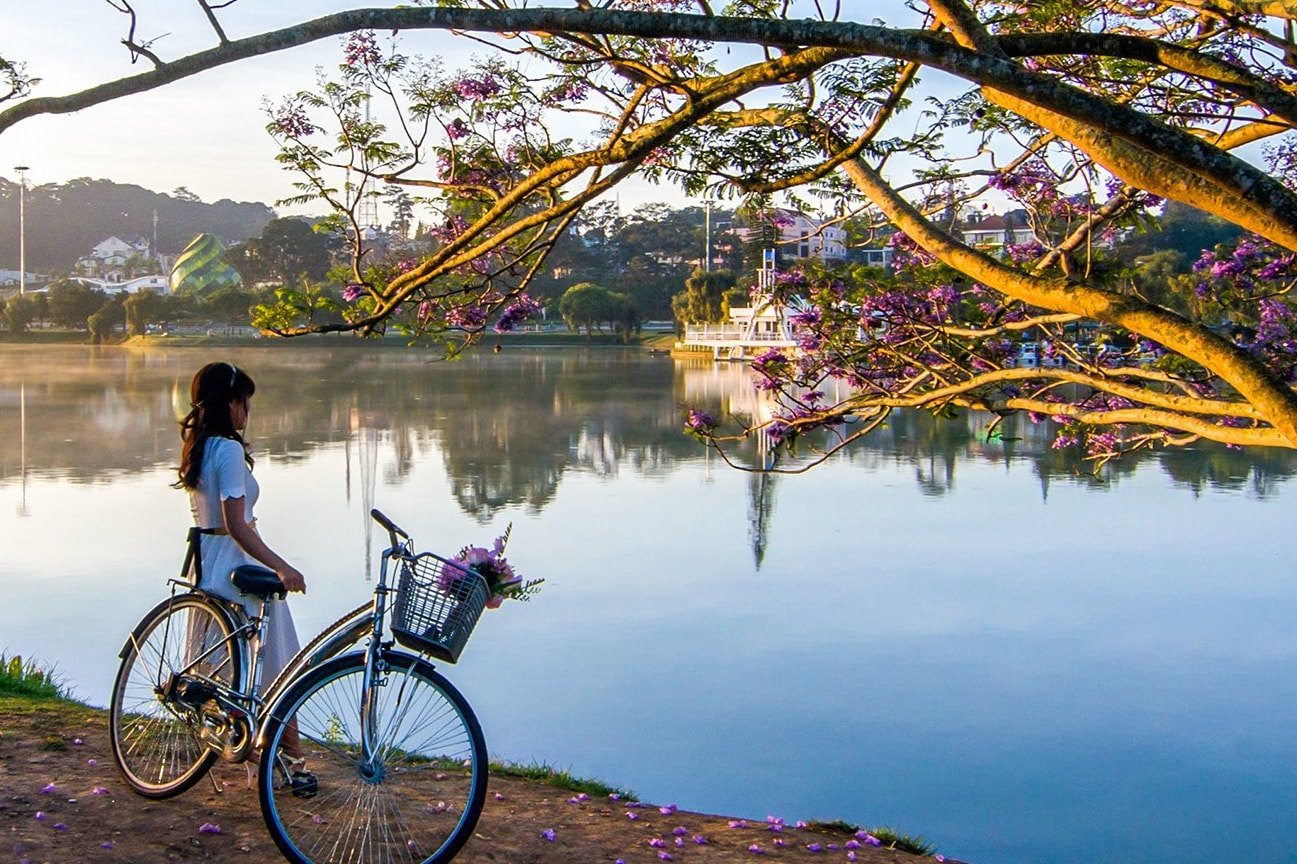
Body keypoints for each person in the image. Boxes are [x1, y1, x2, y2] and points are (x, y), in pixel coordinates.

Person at [174, 362, 311, 784]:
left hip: (208, 559)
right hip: (237, 561)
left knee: (228, 665)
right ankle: (292, 762)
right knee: (280, 662)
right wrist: (281, 566)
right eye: (243, 400)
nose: (247, 410)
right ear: (229, 402)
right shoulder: (230, 450)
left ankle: (258, 750)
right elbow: (236, 523)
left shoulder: (202, 445)